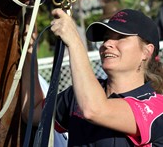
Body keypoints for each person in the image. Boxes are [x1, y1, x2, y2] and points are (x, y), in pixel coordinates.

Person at [21, 8, 163, 146]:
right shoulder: (78, 96)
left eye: (120, 37)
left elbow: (94, 110)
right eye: (106, 38)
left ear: (146, 52)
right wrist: (29, 50)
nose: (107, 44)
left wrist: (75, 41)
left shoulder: (158, 108)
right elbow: (31, 112)